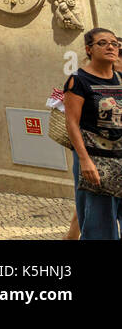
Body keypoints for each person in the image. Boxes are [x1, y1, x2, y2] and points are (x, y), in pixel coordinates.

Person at [64, 27, 122, 239]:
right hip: (97, 164)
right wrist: (84, 160)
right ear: (89, 49)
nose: (110, 47)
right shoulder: (78, 80)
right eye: (103, 43)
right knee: (100, 228)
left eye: (115, 43)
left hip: (121, 159)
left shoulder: (120, 79)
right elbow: (71, 122)